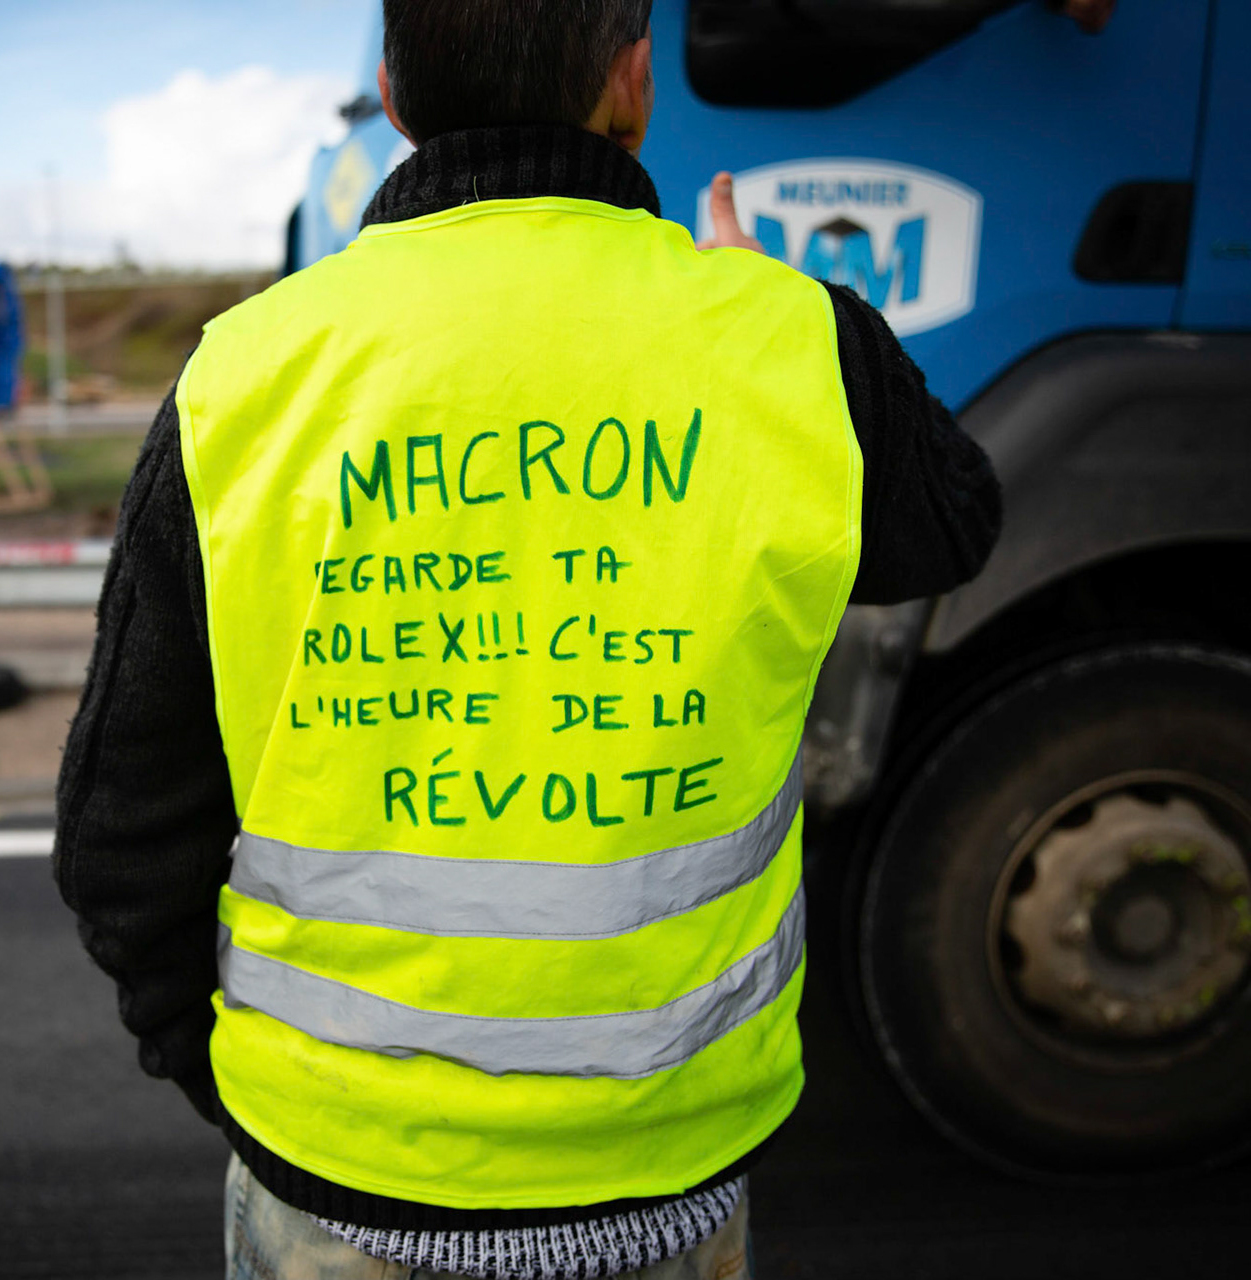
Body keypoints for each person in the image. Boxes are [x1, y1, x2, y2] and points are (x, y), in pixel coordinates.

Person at [55, 2, 1001, 1276]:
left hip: (334, 1169)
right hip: (667, 1168)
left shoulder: (245, 372)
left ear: (394, 96)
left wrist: (232, 1077)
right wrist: (788, 302)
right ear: (634, 83)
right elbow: (954, 521)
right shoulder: (789, 344)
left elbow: (119, 821)